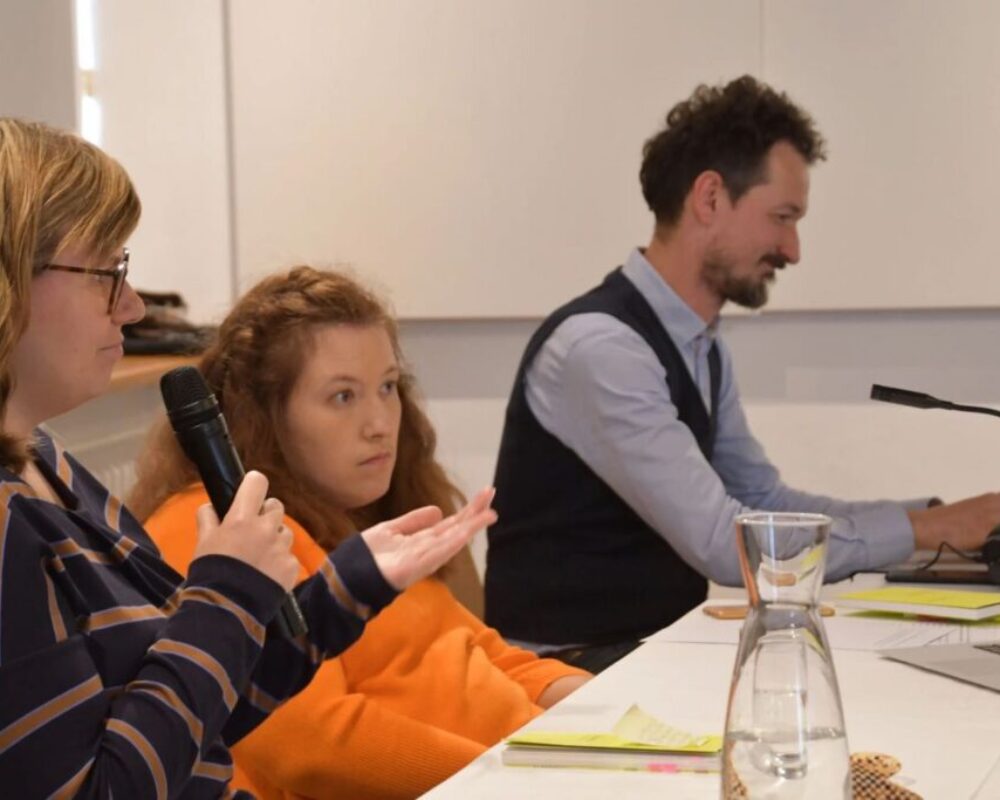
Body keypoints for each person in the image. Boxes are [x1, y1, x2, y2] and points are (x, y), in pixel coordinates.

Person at [0, 118, 495, 798]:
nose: (135, 305)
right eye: (107, 272)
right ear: (10, 282)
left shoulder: (48, 462)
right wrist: (225, 593)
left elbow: (204, 709)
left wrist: (345, 588)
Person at [484, 75, 1000, 674]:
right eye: (782, 217)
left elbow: (763, 501)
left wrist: (935, 518)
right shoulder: (601, 349)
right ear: (709, 198)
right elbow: (729, 546)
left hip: (639, 653)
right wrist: (924, 529)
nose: (793, 248)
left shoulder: (700, 345)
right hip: (563, 674)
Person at [128, 266, 590, 800]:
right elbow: (314, 746)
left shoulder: (352, 511)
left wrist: (614, 720)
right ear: (264, 415)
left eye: (388, 387)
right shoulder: (216, 526)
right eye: (343, 397)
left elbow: (488, 654)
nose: (381, 422)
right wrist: (519, 780)